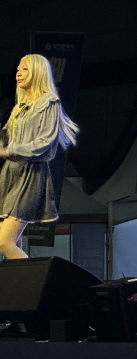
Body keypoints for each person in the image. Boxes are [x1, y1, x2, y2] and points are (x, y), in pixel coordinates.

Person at [0, 55, 78, 259]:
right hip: (10, 174)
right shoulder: (20, 107)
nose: (18, 73)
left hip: (30, 173)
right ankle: (17, 278)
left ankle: (29, 280)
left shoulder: (48, 102)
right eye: (18, 69)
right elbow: (6, 137)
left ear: (38, 72)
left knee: (4, 241)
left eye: (25, 69)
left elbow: (44, 143)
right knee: (11, 241)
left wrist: (8, 151)